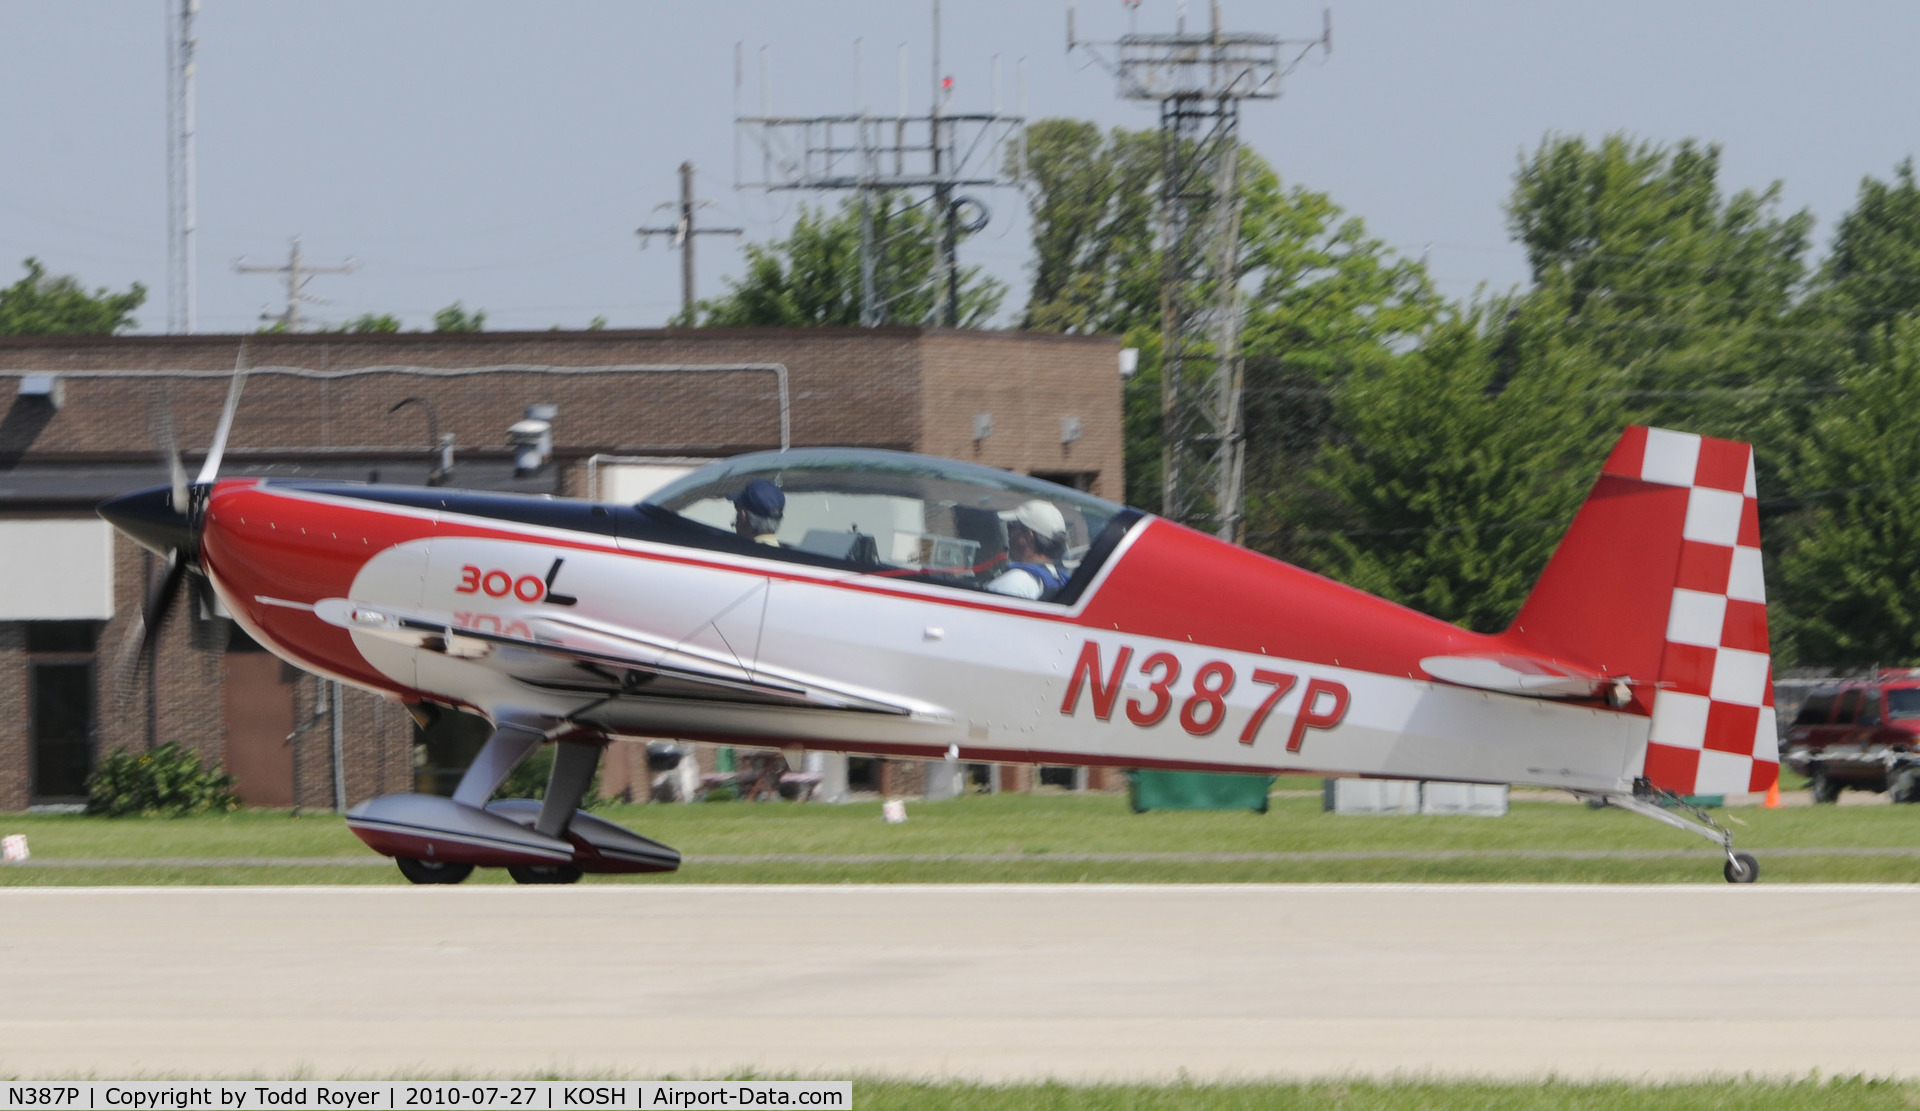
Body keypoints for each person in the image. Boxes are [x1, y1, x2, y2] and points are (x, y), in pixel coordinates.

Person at [985, 500, 1070, 600]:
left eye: (1011, 527)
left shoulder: (1014, 583)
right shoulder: (1062, 581)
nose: (1009, 535)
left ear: (1028, 536)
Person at [731, 479, 784, 545]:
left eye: (738, 512)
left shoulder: (738, 552)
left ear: (743, 516)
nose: (735, 523)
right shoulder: (787, 553)